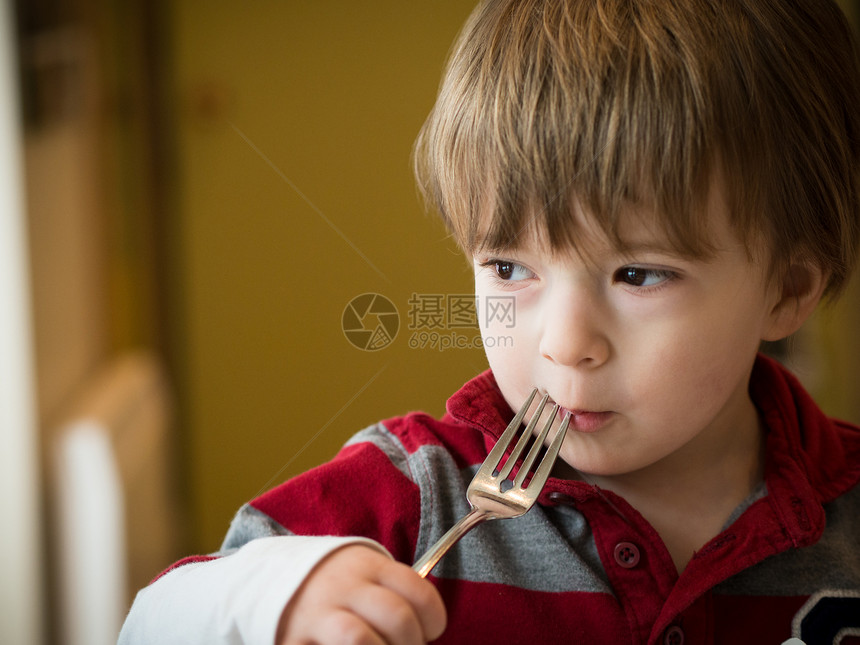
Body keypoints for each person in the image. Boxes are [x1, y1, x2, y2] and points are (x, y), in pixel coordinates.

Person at [119, 0, 860, 643]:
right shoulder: (414, 491)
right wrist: (275, 599)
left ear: (787, 288)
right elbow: (149, 621)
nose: (564, 343)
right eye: (509, 267)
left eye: (637, 274)